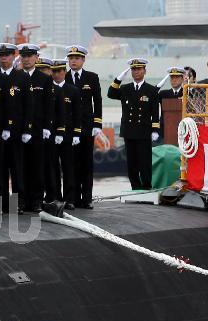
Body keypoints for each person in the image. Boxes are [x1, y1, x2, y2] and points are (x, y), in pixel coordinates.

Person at [108, 58, 160, 190]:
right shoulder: (125, 88)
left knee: (145, 162)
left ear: (144, 71)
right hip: (129, 131)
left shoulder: (151, 90)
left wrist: (155, 129)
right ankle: (135, 187)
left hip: (144, 131)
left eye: (139, 69)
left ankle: (146, 186)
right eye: (133, 69)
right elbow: (110, 93)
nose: (136, 72)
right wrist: (118, 79)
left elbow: (155, 111)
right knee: (131, 162)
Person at [64, 45, 102, 209]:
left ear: (83, 60)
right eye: (71, 58)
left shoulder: (91, 77)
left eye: (77, 58)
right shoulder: (63, 77)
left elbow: (97, 101)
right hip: (69, 127)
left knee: (86, 163)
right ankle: (71, 198)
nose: (73, 61)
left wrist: (97, 123)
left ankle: (86, 198)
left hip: (87, 127)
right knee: (70, 163)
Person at [18, 44, 54, 213]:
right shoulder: (16, 77)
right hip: (19, 129)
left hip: (38, 129)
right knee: (20, 166)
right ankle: (21, 200)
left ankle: (37, 200)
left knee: (37, 166)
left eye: (29, 56)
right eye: (24, 56)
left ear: (36, 58)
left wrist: (47, 126)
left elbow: (48, 105)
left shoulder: (44, 79)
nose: (26, 59)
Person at [0, 43, 25, 213]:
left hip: (16, 132)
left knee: (16, 168)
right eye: (1, 55)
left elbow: (27, 105)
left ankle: (17, 203)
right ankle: (3, 203)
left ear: (13, 56)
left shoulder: (21, 77)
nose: (4, 58)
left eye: (7, 55)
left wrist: (26, 129)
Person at [50, 59, 80, 209]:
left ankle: (70, 199)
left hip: (68, 134)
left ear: (64, 72)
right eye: (54, 72)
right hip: (52, 134)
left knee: (68, 167)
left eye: (59, 71)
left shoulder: (72, 90)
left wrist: (76, 133)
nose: (56, 74)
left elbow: (77, 114)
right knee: (53, 167)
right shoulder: (48, 89)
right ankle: (56, 197)